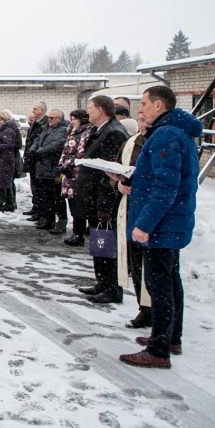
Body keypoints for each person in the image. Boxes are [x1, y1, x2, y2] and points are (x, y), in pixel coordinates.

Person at [119, 86, 202, 369]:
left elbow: (166, 188)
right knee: (170, 280)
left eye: (143, 104)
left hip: (161, 225)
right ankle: (170, 337)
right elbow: (157, 178)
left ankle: (159, 350)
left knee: (160, 286)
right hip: (171, 222)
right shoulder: (172, 132)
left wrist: (144, 224)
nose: (139, 109)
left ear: (158, 105)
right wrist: (131, 181)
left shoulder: (167, 135)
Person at [76, 95, 129, 304]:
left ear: (100, 110)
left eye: (90, 108)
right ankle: (102, 282)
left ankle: (112, 287)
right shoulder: (100, 130)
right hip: (94, 197)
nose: (88, 112)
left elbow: (110, 172)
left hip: (103, 200)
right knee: (99, 244)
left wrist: (104, 205)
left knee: (106, 245)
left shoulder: (113, 132)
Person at [110, 117, 151, 329]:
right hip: (130, 208)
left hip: (149, 212)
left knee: (149, 267)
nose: (144, 123)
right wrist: (119, 184)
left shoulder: (158, 143)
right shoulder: (130, 143)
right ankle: (143, 309)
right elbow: (117, 171)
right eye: (141, 119)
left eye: (147, 119)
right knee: (136, 264)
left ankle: (154, 311)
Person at [27, 109, 69, 231]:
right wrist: (34, 148)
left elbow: (57, 144)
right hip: (43, 167)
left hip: (53, 167)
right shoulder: (47, 128)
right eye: (49, 117)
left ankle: (61, 222)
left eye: (52, 118)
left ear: (59, 119)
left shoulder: (63, 130)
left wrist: (40, 151)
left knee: (57, 197)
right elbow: (37, 140)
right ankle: (48, 220)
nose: (49, 119)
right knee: (46, 197)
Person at [58, 109, 91, 245]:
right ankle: (77, 231)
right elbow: (66, 150)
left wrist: (67, 164)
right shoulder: (71, 132)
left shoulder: (86, 132)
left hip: (77, 173)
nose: (72, 122)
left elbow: (80, 153)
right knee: (72, 203)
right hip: (68, 173)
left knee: (79, 205)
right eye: (71, 119)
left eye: (75, 119)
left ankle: (79, 233)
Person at [0, 109, 20, 212]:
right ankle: (9, 204)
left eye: (1, 119)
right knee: (5, 182)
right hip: (1, 159)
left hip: (4, 159)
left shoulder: (8, 130)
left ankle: (0, 204)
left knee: (1, 182)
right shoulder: (3, 129)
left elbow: (9, 145)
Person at [23, 101, 49, 221]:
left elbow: (39, 141)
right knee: (34, 186)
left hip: (39, 160)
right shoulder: (36, 123)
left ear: (42, 111)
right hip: (32, 159)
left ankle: (40, 211)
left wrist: (34, 152)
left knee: (39, 187)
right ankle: (36, 207)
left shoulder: (44, 124)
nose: (32, 111)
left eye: (35, 109)